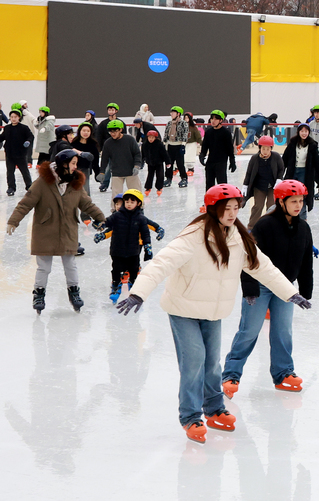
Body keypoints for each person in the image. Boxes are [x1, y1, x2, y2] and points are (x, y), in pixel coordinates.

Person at [116, 184, 309, 442]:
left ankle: (215, 409)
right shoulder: (194, 236)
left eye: (236, 208)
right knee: (195, 359)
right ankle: (191, 416)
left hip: (212, 310)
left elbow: (263, 267)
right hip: (183, 308)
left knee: (212, 363)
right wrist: (138, 292)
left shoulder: (237, 237)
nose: (232, 213)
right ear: (213, 209)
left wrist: (289, 292)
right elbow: (162, 263)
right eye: (226, 209)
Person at [221, 179, 315, 397]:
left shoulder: (304, 228)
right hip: (261, 287)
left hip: (285, 288)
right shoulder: (265, 225)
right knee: (249, 331)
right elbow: (250, 260)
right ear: (281, 202)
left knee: (283, 332)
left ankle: (283, 373)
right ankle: (231, 374)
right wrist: (250, 290)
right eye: (293, 201)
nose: (298, 205)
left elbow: (305, 261)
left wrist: (305, 290)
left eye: (301, 201)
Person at [8, 149, 106, 313]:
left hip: (67, 230)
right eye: (73, 163)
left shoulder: (75, 183)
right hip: (45, 230)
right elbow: (26, 203)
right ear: (64, 164)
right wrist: (13, 221)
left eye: (76, 163)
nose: (76, 167)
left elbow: (87, 204)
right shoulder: (43, 182)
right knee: (44, 267)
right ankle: (39, 293)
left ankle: (74, 292)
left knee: (70, 264)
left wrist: (101, 218)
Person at [94, 188, 165, 304]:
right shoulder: (117, 216)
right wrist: (100, 227)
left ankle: (134, 287)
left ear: (138, 204)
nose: (129, 204)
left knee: (134, 269)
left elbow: (146, 233)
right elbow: (107, 223)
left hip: (133, 250)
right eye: (127, 202)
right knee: (116, 269)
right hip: (117, 250)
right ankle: (116, 287)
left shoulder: (141, 218)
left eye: (132, 202)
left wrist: (148, 246)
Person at [282, 123, 319, 213]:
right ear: (298, 132)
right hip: (293, 171)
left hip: (305, 173)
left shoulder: (312, 145)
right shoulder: (293, 143)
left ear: (309, 132)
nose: (304, 133)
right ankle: (290, 213)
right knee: (290, 192)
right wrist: (280, 174)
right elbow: (284, 159)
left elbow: (318, 162)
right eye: (302, 131)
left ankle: (302, 216)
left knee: (302, 193)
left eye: (306, 131)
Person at [99, 120, 142, 197]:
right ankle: (115, 209)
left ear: (121, 130)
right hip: (116, 172)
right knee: (116, 195)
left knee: (136, 193)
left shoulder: (130, 140)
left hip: (131, 171)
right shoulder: (108, 143)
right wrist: (102, 172)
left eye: (115, 131)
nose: (113, 134)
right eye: (111, 132)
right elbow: (104, 158)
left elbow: (137, 154)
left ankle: (139, 208)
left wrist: (136, 166)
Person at [199, 111, 238, 194]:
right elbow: (205, 146)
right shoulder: (209, 132)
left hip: (221, 162)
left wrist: (232, 161)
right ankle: (209, 202)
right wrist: (202, 155)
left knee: (222, 184)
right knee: (209, 184)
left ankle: (224, 201)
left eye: (216, 118)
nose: (213, 120)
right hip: (210, 162)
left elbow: (229, 149)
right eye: (212, 118)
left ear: (221, 120)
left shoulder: (226, 133)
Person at [4, 108, 34, 195]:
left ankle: (29, 186)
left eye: (15, 117)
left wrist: (28, 141)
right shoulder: (7, 128)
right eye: (12, 117)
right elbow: (2, 137)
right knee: (10, 172)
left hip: (20, 154)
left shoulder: (23, 128)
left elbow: (30, 136)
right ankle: (11, 188)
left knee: (24, 171)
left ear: (19, 118)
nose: (13, 118)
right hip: (10, 154)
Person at [163, 106, 190, 188]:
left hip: (179, 145)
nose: (171, 114)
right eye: (171, 112)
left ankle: (184, 178)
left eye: (173, 112)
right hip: (170, 145)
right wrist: (164, 144)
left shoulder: (183, 123)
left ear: (178, 114)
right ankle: (168, 178)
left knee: (180, 164)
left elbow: (185, 134)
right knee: (169, 164)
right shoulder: (169, 123)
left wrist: (183, 145)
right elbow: (166, 134)